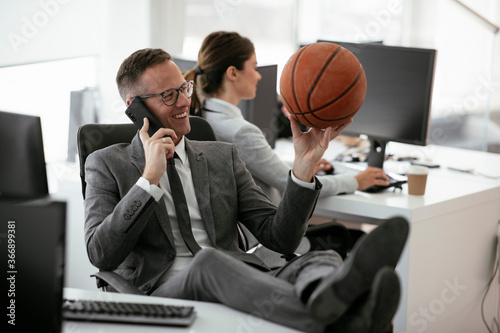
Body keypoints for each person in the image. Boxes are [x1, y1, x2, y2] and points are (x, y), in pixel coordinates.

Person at [84, 47, 409, 333]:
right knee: (207, 263)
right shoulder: (106, 164)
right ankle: (336, 326)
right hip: (161, 295)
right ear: (133, 107)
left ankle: (341, 309)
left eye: (184, 87)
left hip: (243, 281)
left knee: (318, 258)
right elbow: (101, 254)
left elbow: (279, 238)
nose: (185, 101)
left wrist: (303, 166)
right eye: (169, 95)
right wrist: (148, 180)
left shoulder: (221, 155)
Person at [184, 31, 390, 199]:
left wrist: (300, 165)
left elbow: (257, 166)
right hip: (265, 242)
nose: (258, 76)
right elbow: (291, 183)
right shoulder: (241, 132)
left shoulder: (199, 118)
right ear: (233, 73)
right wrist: (356, 181)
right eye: (254, 68)